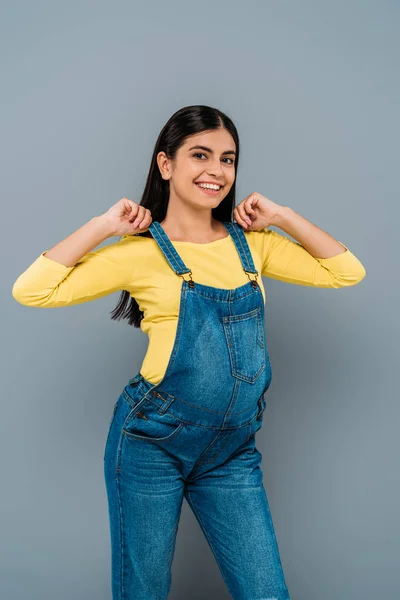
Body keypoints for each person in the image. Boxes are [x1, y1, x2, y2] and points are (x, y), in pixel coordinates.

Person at [12, 104, 366, 600]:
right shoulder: (140, 252)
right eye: (200, 155)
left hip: (231, 451)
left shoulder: (253, 247)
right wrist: (103, 224)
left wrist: (283, 216)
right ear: (166, 164)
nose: (216, 171)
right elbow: (31, 290)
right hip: (151, 444)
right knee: (145, 591)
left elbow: (345, 271)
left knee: (267, 592)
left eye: (228, 159)